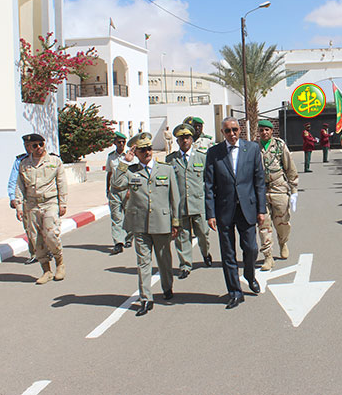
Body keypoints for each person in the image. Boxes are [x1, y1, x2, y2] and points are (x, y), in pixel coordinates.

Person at [111, 132, 179, 316]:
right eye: (142, 150)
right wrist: (124, 162)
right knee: (143, 263)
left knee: (164, 260)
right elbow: (116, 185)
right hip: (140, 224)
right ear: (136, 152)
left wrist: (175, 221)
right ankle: (146, 298)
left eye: (148, 148)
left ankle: (167, 287)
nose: (147, 152)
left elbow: (175, 198)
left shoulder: (166, 169)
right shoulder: (131, 171)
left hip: (162, 222)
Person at [204, 116, 267, 309]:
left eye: (235, 130)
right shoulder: (214, 153)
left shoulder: (253, 149)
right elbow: (208, 185)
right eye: (227, 131)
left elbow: (259, 181)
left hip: (247, 208)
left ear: (240, 131)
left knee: (251, 249)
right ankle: (234, 291)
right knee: (228, 253)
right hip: (224, 210)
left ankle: (249, 275)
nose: (232, 134)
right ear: (222, 133)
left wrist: (261, 209)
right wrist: (210, 213)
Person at [14, 134, 67, 285]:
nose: (38, 148)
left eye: (40, 144)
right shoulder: (24, 164)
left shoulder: (54, 161)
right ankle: (46, 271)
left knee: (51, 235)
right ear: (29, 147)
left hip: (50, 202)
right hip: (31, 205)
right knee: (36, 239)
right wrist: (19, 206)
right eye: (34, 145)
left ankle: (60, 262)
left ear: (44, 144)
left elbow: (62, 182)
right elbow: (20, 186)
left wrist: (63, 203)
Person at [165, 124, 212, 280]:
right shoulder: (171, 159)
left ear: (192, 139)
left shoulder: (202, 157)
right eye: (181, 138)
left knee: (203, 234)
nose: (184, 140)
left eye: (187, 137)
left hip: (198, 204)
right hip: (180, 206)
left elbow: (208, 182)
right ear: (177, 141)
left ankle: (205, 254)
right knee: (182, 237)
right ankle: (185, 265)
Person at [257, 120, 299, 270]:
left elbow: (290, 168)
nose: (264, 133)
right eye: (261, 130)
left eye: (267, 130)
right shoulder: (254, 147)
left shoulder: (280, 145)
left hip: (279, 187)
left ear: (272, 131)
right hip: (261, 190)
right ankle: (268, 256)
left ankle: (283, 242)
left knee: (282, 221)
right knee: (264, 224)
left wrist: (294, 191)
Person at [8, 139, 37, 264]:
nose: (28, 148)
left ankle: (48, 250)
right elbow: (13, 180)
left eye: (31, 145)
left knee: (46, 228)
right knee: (30, 229)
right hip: (27, 200)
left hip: (45, 200)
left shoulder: (49, 160)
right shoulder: (20, 161)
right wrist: (13, 198)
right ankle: (36, 253)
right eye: (26, 145)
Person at [107, 132, 133, 255]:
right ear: (114, 143)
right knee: (116, 217)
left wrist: (130, 190)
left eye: (123, 142)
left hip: (126, 189)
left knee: (128, 216)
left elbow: (133, 175)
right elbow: (109, 173)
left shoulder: (130, 156)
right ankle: (118, 242)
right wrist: (107, 189)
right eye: (119, 142)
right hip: (115, 191)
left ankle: (128, 238)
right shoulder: (111, 157)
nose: (121, 144)